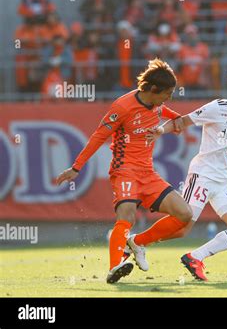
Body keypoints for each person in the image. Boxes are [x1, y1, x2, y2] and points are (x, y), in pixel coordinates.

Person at [56, 58, 193, 283]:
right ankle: (114, 267)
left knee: (185, 214)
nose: (169, 97)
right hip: (125, 170)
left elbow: (170, 114)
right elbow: (99, 136)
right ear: (153, 89)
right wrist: (76, 167)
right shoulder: (123, 106)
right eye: (167, 93)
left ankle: (138, 242)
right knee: (127, 215)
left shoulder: (157, 104)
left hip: (148, 173)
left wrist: (169, 124)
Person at [145, 68, 227, 281]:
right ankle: (136, 242)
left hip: (225, 182)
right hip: (203, 175)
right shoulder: (217, 108)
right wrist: (160, 131)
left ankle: (196, 257)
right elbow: (182, 121)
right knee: (182, 228)